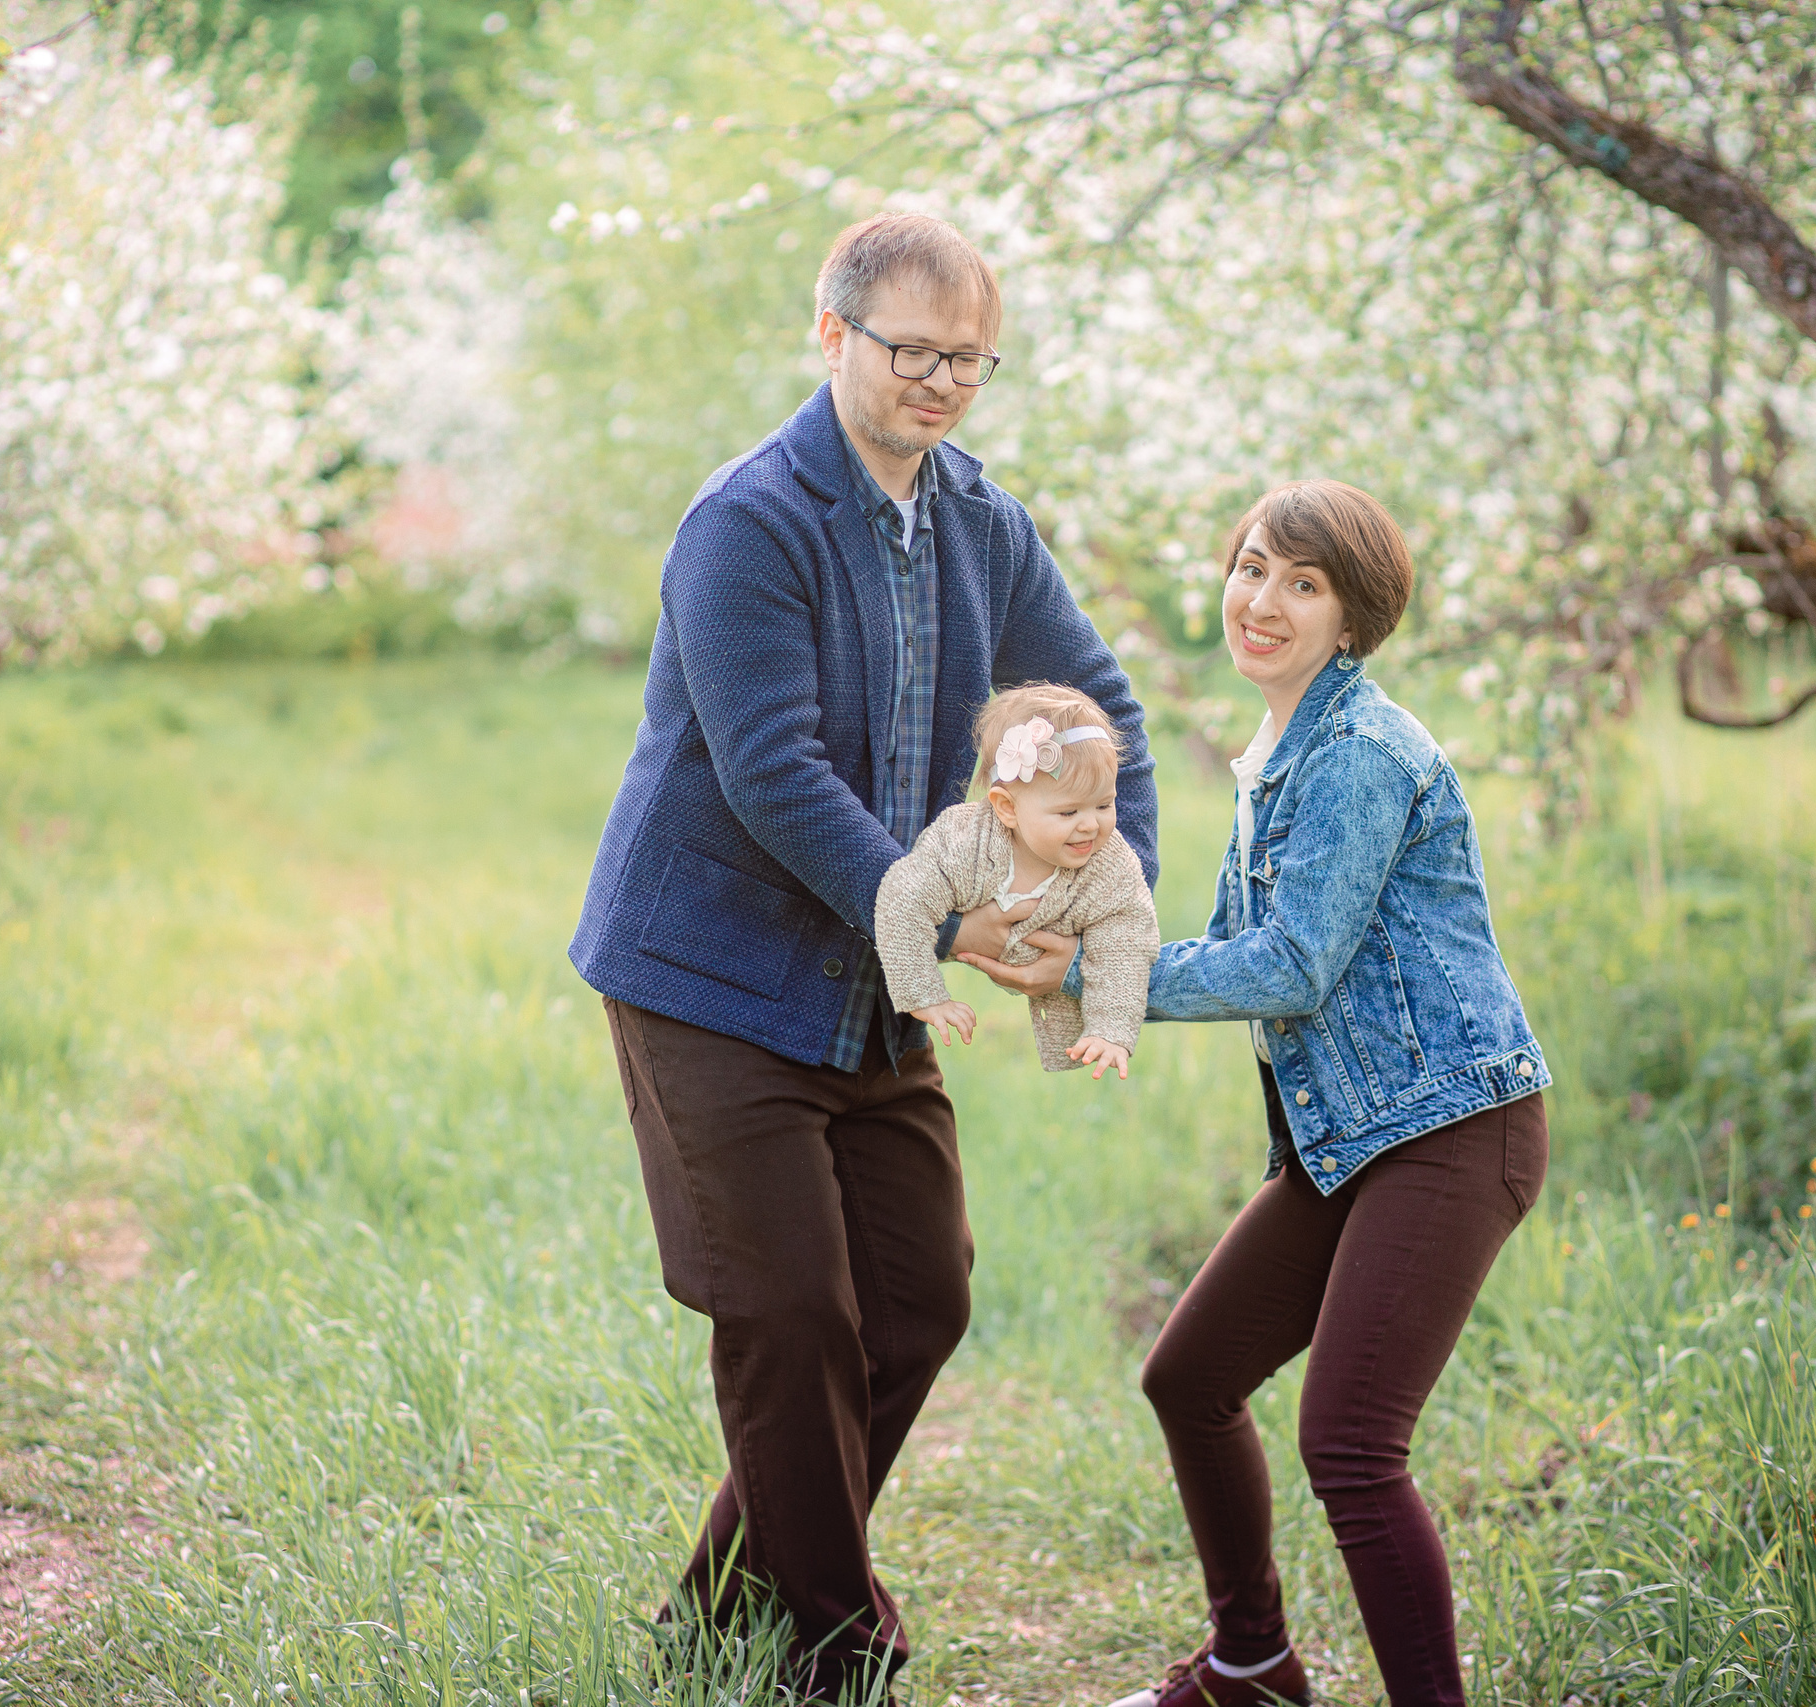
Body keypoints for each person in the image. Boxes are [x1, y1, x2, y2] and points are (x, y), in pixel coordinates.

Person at [569, 212, 1158, 1703]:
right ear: (831, 334)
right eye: (914, 352)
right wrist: (951, 923)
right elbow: (774, 774)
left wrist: (1100, 907)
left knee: (917, 1299)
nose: (943, 383)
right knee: (787, 1315)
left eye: (971, 359)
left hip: (868, 989)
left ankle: (720, 1622)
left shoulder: (981, 523)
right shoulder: (746, 523)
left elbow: (1096, 709)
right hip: (711, 975)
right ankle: (838, 1653)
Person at [963, 480, 1550, 1707]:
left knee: (1351, 1444)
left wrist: (1092, 973)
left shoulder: (1359, 753)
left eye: (1303, 583)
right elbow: (1236, 947)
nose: (1262, 601)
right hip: (1352, 1140)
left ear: (1352, 618)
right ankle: (1252, 1667)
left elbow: (1289, 965)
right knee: (1188, 1379)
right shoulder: (1276, 752)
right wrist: (1066, 953)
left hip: (1451, 1128)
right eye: (1250, 567)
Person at [873, 683, 1158, 1078]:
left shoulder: (1109, 865)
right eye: (1069, 812)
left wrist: (1111, 1030)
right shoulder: (963, 844)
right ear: (1007, 808)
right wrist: (923, 994)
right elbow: (901, 897)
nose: (1091, 825)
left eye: (1104, 804)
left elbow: (1126, 942)